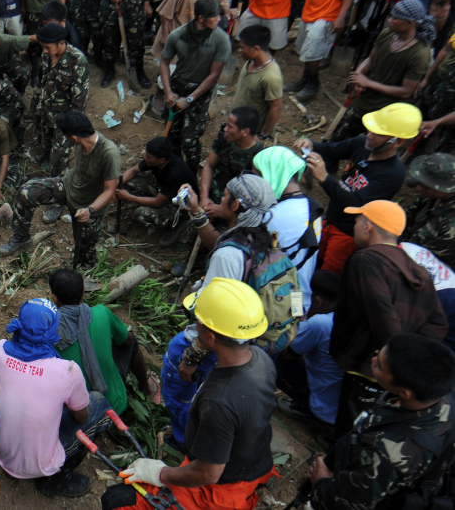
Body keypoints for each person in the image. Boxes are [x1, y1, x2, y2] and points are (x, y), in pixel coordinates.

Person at [103, 278, 277, 510]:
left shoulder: (219, 401)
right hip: (255, 463)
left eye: (199, 322)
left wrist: (161, 473)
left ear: (212, 336)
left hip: (220, 490)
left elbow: (208, 473)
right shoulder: (260, 359)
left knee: (117, 501)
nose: (195, 325)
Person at [159, 174, 290, 445]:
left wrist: (191, 356)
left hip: (219, 341)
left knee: (176, 374)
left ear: (236, 205)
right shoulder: (263, 240)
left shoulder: (228, 257)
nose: (220, 198)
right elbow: (220, 242)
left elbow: (212, 316)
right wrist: (196, 211)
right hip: (249, 339)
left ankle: (186, 438)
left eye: (225, 195)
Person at [330, 200, 449, 433]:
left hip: (369, 364)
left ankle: (335, 462)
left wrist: (396, 361)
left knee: (351, 425)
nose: (354, 226)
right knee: (372, 421)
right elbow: (438, 324)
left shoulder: (365, 260)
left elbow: (384, 318)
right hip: (388, 371)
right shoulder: (417, 269)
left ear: (368, 226)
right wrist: (411, 361)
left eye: (357, 221)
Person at [309, 334, 455, 510]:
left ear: (404, 392)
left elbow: (347, 504)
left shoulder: (388, 449)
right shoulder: (442, 395)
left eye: (379, 365)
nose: (373, 358)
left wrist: (321, 482)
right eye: (379, 352)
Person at [0, 297, 111, 497]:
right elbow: (81, 416)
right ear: (52, 329)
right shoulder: (67, 370)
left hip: (1, 452)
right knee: (97, 402)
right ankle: (55, 479)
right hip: (36, 464)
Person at [295, 103, 418, 274]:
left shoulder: (392, 174)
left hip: (348, 233)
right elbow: (330, 150)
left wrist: (324, 178)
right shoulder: (362, 144)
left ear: (397, 141)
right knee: (312, 259)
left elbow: (353, 203)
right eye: (370, 130)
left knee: (326, 276)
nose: (370, 135)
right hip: (330, 220)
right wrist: (311, 144)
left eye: (378, 133)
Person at [0, 111, 119, 270]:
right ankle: (21, 238)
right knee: (27, 191)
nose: (66, 139)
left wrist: (90, 209)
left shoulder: (108, 153)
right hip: (69, 185)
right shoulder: (82, 141)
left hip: (88, 206)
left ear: (74, 138)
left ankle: (86, 270)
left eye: (66, 136)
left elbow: (110, 191)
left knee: (84, 261)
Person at [50, 268, 160, 413]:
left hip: (78, 414)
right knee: (130, 340)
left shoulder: (49, 330)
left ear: (54, 298)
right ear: (83, 291)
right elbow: (127, 341)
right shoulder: (101, 312)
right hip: (115, 405)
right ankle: (147, 388)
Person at [332, 0, 434, 140]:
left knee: (369, 151)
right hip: (363, 103)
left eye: (395, 18)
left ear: (410, 23)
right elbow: (371, 59)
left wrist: (369, 83)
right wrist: (358, 75)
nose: (390, 20)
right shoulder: (387, 34)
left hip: (385, 115)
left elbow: (406, 91)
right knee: (336, 141)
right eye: (391, 16)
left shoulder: (420, 54)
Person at [156, 0, 231, 169]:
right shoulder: (177, 35)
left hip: (200, 91)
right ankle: (173, 169)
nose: (219, 19)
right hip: (177, 86)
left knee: (190, 140)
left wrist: (190, 99)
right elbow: (165, 62)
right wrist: (168, 91)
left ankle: (190, 174)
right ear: (200, 18)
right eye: (215, 16)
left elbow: (214, 75)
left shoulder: (221, 40)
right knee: (171, 136)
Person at [252, 146, 323, 305]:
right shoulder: (312, 206)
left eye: (257, 176)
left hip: (277, 303)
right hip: (299, 296)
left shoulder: (272, 217)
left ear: (271, 175)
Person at [274, 270, 341, 425]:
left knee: (275, 355)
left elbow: (287, 355)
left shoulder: (319, 323)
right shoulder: (344, 316)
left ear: (318, 300)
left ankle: (303, 406)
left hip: (321, 407)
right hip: (338, 404)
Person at [28, 24, 89, 179]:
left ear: (61, 43)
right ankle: (46, 155)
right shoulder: (47, 55)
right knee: (46, 138)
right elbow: (43, 81)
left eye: (47, 47)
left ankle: (60, 181)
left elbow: (79, 101)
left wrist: (70, 128)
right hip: (47, 109)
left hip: (65, 117)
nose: (44, 51)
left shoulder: (77, 61)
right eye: (42, 47)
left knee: (60, 155)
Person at [116, 136, 199, 245]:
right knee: (129, 182)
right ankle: (138, 197)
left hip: (179, 205)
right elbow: (132, 171)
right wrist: (114, 187)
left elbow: (158, 203)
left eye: (148, 157)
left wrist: (129, 197)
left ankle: (177, 222)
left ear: (161, 160)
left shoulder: (175, 173)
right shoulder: (154, 160)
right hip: (162, 190)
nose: (145, 158)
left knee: (141, 213)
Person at [200, 106, 264, 217]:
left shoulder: (258, 156)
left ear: (245, 131)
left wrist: (221, 210)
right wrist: (204, 196)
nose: (225, 129)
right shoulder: (224, 140)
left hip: (235, 212)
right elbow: (209, 165)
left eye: (230, 127)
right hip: (211, 200)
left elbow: (253, 197)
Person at [232, 26, 284, 139]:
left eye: (242, 47)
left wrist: (262, 135)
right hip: (235, 125)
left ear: (256, 49)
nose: (239, 51)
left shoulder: (270, 77)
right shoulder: (250, 63)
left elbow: (276, 108)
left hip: (248, 134)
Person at [405, 153, 455, 266]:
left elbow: (430, 264)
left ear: (445, 189)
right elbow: (407, 218)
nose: (418, 188)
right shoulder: (430, 197)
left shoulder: (451, 227)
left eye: (426, 186)